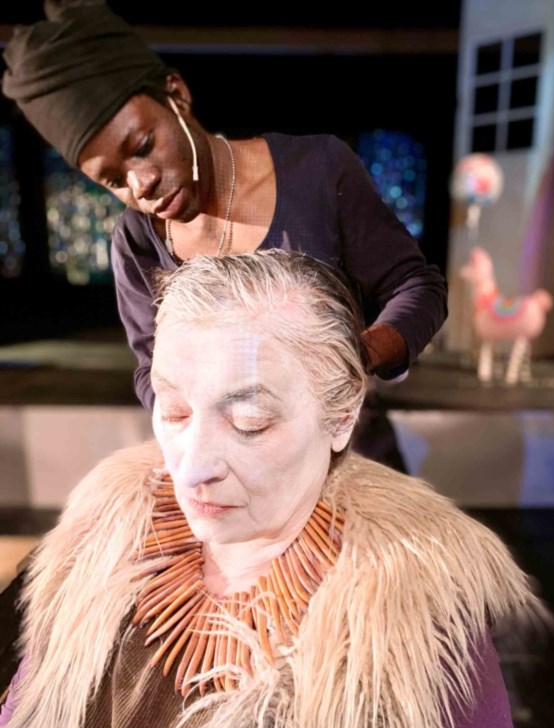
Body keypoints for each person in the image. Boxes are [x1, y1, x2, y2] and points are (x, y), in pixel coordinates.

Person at [0, 249, 542, 728]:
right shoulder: (100, 551)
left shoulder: (412, 631)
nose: (192, 466)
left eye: (249, 423)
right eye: (174, 410)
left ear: (342, 416)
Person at [2, 0, 447, 421]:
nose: (141, 185)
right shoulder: (138, 241)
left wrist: (349, 361)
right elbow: (151, 370)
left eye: (143, 146)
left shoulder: (318, 172)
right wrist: (195, 431)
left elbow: (417, 287)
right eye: (114, 181)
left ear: (177, 95)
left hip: (340, 451)